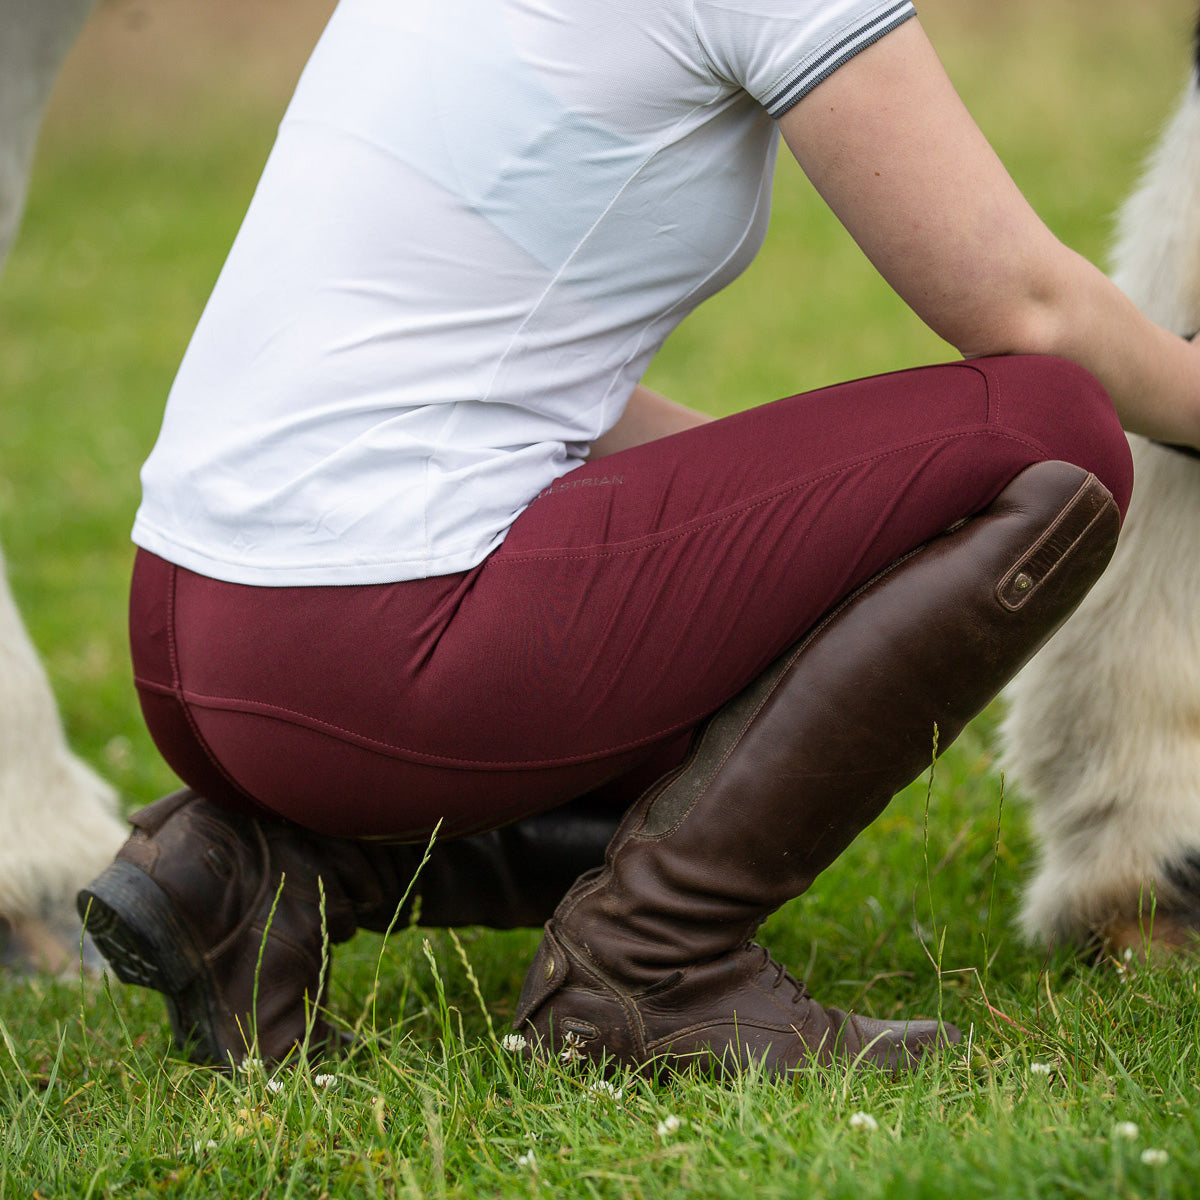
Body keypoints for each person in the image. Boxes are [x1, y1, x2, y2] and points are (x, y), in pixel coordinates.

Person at [78, 0, 1198, 1075]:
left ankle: (264, 872)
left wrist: (832, 536)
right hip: (371, 645)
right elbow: (1030, 312)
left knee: (851, 576)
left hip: (207, 630)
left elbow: (504, 362)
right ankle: (655, 965)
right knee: (1048, 434)